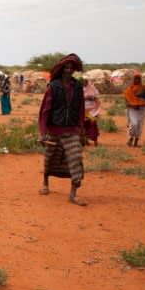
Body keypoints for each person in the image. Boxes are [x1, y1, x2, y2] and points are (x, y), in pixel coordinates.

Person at [38, 53, 87, 206]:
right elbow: (45, 110)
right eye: (66, 67)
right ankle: (45, 182)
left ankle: (73, 194)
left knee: (75, 159)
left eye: (71, 68)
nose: (69, 70)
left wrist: (80, 129)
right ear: (62, 69)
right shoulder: (53, 86)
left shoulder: (78, 87)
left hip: (72, 129)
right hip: (54, 129)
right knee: (50, 158)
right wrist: (43, 132)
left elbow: (80, 109)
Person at [123, 73, 145, 147]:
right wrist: (131, 104)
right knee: (133, 124)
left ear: (140, 79)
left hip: (142, 108)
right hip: (132, 109)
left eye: (138, 78)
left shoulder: (144, 88)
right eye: (136, 78)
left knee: (140, 125)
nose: (137, 80)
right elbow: (127, 99)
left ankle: (136, 141)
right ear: (133, 79)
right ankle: (130, 138)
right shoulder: (129, 88)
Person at [83, 78, 101, 146]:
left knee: (93, 124)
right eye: (83, 81)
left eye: (85, 81)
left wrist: (92, 98)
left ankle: (95, 140)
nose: (84, 82)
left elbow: (96, 97)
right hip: (82, 111)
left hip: (91, 111)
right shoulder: (78, 88)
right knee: (84, 125)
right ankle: (85, 140)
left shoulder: (92, 88)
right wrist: (85, 98)